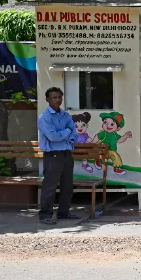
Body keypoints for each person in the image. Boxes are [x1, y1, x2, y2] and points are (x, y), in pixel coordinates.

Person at [37, 87, 80, 225]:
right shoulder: (45, 117)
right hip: (53, 155)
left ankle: (63, 212)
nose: (58, 100)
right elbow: (52, 136)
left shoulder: (65, 115)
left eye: (59, 97)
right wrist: (66, 132)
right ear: (47, 99)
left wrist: (65, 133)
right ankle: (45, 215)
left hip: (66, 153)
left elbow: (74, 134)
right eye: (54, 97)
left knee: (67, 186)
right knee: (50, 186)